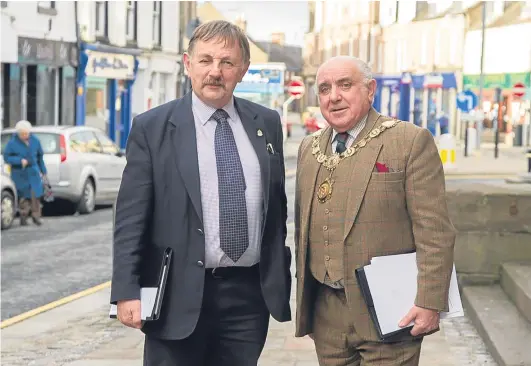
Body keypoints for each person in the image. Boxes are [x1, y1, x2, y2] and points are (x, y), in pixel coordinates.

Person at [111, 20, 291, 366]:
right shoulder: (153, 127)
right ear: (187, 63)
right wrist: (126, 291)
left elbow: (276, 208)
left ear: (243, 70)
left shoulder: (266, 123)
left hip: (247, 298)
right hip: (176, 294)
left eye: (226, 62)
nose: (215, 72)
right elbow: (131, 218)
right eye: (206, 60)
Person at [293, 56, 456, 365]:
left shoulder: (409, 141)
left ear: (370, 90)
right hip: (327, 315)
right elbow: (303, 231)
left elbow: (435, 233)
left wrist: (430, 302)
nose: (334, 96)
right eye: (325, 88)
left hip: (389, 314)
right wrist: (307, 310)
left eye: (345, 85)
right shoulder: (309, 148)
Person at [3, 120, 47, 226]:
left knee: (36, 195)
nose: (25, 135)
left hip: (33, 172)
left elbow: (40, 156)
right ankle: (24, 216)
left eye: (26, 133)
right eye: (22, 134)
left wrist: (43, 171)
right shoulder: (12, 143)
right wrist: (19, 160)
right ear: (18, 133)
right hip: (20, 173)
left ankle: (36, 216)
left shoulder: (35, 141)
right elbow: (7, 157)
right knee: (24, 197)